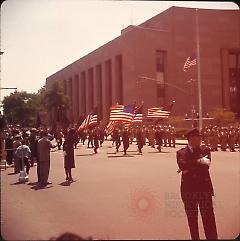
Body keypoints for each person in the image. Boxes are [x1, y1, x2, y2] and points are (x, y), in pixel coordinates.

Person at [176, 128, 218, 240]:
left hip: (204, 189)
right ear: (190, 139)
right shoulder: (181, 152)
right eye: (197, 137)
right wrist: (199, 161)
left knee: (209, 219)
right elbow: (183, 166)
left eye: (200, 137)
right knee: (192, 220)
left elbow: (206, 165)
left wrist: (190, 165)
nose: (200, 139)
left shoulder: (205, 150)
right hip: (188, 190)